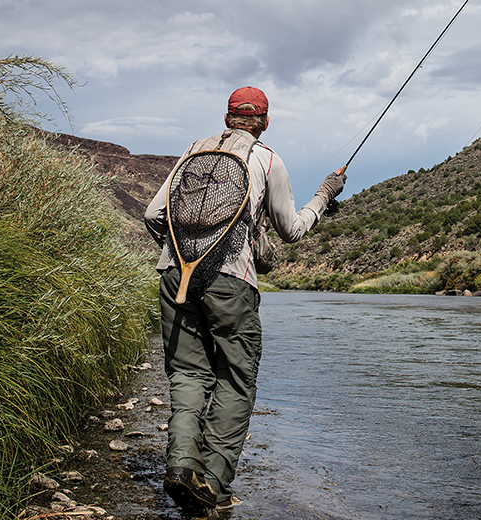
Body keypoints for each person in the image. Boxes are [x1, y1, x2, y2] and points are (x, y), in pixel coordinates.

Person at [144, 86, 346, 513]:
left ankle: (181, 465)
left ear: (227, 117)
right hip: (230, 279)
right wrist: (326, 195)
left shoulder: (193, 150)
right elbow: (290, 230)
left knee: (186, 375)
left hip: (172, 274)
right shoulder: (268, 158)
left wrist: (182, 253)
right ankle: (212, 487)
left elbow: (152, 215)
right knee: (236, 379)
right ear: (265, 122)